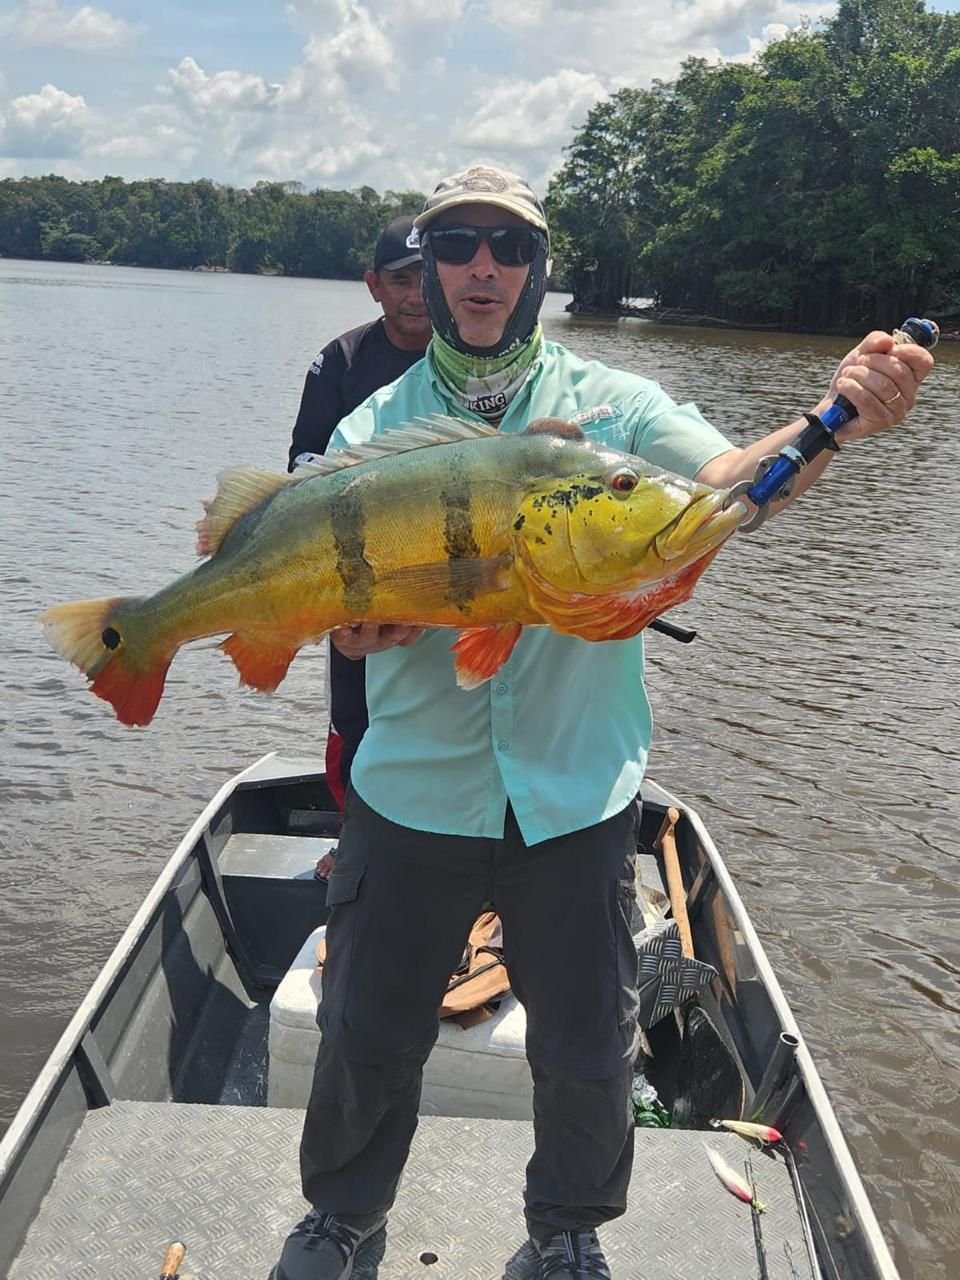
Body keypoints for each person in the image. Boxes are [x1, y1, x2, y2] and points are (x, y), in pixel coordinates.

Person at [271, 165, 934, 1280]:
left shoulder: (616, 407)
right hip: (413, 787)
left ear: (539, 269)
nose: (486, 266)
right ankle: (344, 1214)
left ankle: (567, 1227)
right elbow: (321, 597)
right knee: (366, 1033)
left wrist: (833, 418)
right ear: (427, 271)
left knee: (585, 1045)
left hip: (577, 789)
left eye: (511, 247)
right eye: (460, 245)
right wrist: (345, 633)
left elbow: (727, 482)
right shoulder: (370, 426)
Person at [288, 214, 432, 828]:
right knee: (354, 703)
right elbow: (302, 471)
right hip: (353, 570)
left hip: (442, 568)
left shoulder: (471, 366)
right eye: (401, 280)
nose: (416, 294)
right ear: (374, 285)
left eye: (427, 278)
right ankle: (354, 832)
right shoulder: (340, 362)